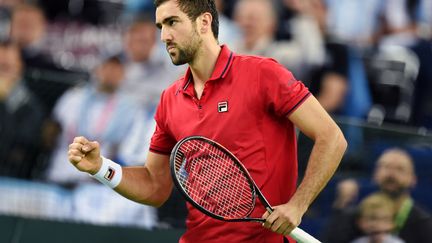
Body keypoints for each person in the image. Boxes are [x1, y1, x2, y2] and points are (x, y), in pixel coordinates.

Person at [67, 0, 347, 242]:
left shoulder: (263, 74)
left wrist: (298, 205)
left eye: (172, 22)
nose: (164, 36)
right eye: (160, 26)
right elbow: (154, 185)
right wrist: (100, 167)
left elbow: (331, 137)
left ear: (204, 22)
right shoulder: (169, 99)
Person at [321, 148, 432, 243]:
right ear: (374, 174)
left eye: (400, 169)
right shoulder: (356, 214)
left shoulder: (424, 223)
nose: (391, 174)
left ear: (413, 179)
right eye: (386, 167)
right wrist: (341, 205)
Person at [0, 40, 44, 178]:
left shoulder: (31, 106)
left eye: (6, 68)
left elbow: (18, 148)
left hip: (11, 180)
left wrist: (2, 101)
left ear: (19, 67)